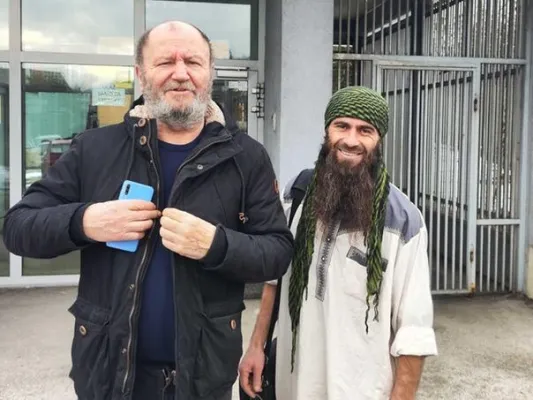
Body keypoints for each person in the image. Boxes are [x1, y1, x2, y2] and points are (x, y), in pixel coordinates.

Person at [3, 21, 294, 400]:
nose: (180, 73)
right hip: (109, 376)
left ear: (209, 73)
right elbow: (18, 228)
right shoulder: (95, 149)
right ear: (141, 75)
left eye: (193, 61)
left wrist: (216, 245)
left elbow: (277, 252)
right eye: (165, 62)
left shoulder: (246, 157)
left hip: (204, 380)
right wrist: (85, 221)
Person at [239, 86, 438, 400]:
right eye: (341, 126)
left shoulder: (403, 222)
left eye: (365, 130)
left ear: (379, 140)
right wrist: (256, 346)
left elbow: (414, 331)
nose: (351, 140)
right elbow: (276, 280)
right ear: (326, 132)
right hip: (294, 383)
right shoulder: (298, 195)